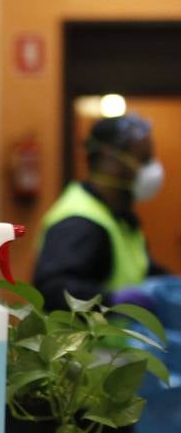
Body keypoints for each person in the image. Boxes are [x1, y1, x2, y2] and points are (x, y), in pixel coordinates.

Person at [34, 114, 167, 309]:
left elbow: (140, 269)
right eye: (144, 159)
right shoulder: (80, 222)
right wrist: (111, 300)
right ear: (109, 159)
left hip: (116, 337)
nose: (153, 169)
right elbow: (53, 288)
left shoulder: (119, 218)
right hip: (86, 339)